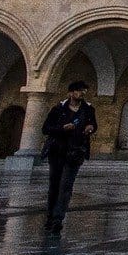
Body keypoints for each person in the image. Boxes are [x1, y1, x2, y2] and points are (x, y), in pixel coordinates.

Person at [42, 80, 98, 233]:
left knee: (66, 186)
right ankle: (50, 216)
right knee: (54, 186)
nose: (82, 93)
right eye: (79, 90)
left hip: (75, 152)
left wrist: (90, 128)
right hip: (57, 151)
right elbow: (46, 129)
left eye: (84, 90)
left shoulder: (88, 110)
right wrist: (62, 128)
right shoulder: (58, 109)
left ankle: (58, 219)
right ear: (71, 93)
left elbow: (94, 124)